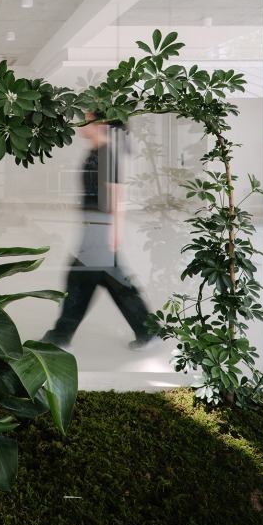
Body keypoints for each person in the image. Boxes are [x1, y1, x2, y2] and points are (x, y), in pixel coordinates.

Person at [42, 115, 155, 350]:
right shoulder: (97, 151)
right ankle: (148, 330)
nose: (81, 126)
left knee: (80, 281)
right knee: (110, 281)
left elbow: (117, 192)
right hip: (94, 225)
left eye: (86, 121)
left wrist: (115, 229)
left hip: (100, 227)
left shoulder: (105, 153)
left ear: (100, 125)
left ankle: (61, 336)